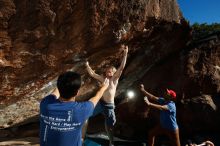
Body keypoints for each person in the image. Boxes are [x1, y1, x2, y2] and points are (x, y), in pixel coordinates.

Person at [40, 71, 109, 146]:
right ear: (77, 92)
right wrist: (103, 87)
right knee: (85, 121)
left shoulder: (45, 104)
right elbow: (96, 98)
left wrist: (63, 82)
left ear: (59, 87)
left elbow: (54, 93)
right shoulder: (82, 110)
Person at [84, 44, 128, 146]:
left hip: (109, 106)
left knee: (109, 126)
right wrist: (87, 65)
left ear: (113, 72)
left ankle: (111, 142)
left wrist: (125, 53)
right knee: (86, 114)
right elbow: (93, 74)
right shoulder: (103, 79)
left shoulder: (114, 79)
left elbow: (121, 68)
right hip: (101, 103)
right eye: (107, 71)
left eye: (111, 71)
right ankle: (83, 135)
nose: (109, 73)